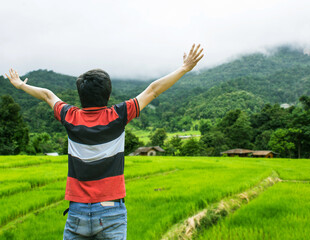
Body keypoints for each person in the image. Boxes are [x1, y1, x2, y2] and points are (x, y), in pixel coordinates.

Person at [5, 44, 204, 240]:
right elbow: (152, 90)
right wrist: (184, 68)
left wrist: (21, 85)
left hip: (77, 211)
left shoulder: (69, 116)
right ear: (108, 95)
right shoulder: (118, 114)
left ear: (80, 95)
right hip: (111, 211)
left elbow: (47, 95)